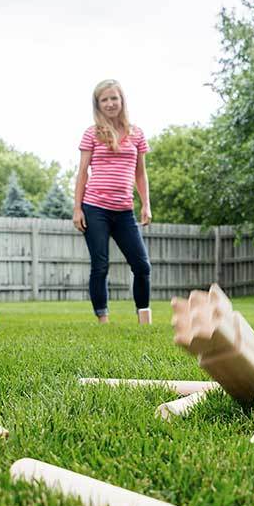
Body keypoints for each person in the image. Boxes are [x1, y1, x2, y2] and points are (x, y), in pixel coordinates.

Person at [72, 79, 152, 323]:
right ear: (98, 105)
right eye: (104, 100)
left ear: (122, 100)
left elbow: (140, 172)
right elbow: (83, 171)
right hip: (95, 207)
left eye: (113, 98)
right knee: (100, 265)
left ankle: (143, 316)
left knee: (142, 265)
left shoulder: (136, 134)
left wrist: (146, 203)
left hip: (124, 210)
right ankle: (103, 319)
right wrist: (77, 208)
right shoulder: (92, 133)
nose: (110, 103)